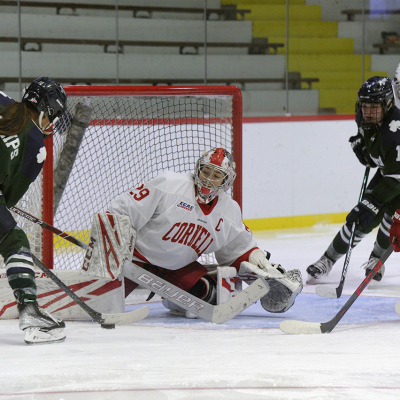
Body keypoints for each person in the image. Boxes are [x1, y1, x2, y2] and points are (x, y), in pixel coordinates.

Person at [107, 147, 303, 318]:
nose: (208, 180)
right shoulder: (169, 185)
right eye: (205, 172)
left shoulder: (228, 210)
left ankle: (174, 301)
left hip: (176, 268)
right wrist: (112, 254)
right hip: (135, 261)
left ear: (226, 181)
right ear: (197, 170)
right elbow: (121, 212)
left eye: (216, 176)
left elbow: (238, 249)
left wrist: (263, 264)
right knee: (97, 304)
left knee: (213, 296)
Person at [307, 76, 400, 283]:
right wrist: (362, 146)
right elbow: (375, 152)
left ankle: (376, 260)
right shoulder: (366, 116)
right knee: (360, 220)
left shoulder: (396, 131)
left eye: (373, 107)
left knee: (389, 222)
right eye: (364, 106)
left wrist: (372, 203)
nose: (367, 111)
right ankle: (327, 260)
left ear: (387, 104)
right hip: (388, 174)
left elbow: (396, 180)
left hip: (397, 180)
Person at [0, 77, 67, 344]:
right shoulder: (37, 146)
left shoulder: (3, 100)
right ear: (49, 110)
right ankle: (30, 311)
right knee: (14, 240)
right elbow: (10, 196)